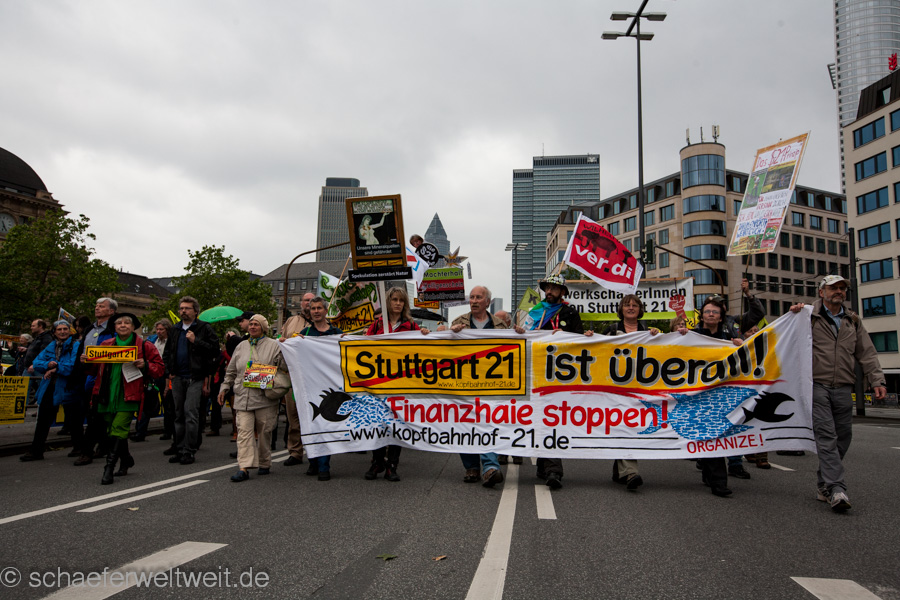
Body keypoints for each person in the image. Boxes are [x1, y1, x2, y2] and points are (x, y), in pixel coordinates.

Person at [789, 275, 886, 512]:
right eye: (833, 288)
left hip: (843, 387)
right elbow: (784, 339)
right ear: (822, 292)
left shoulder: (852, 320)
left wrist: (877, 380)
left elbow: (867, 353)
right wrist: (794, 315)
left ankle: (824, 483)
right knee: (826, 437)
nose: (839, 291)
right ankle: (836, 489)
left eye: (842, 288)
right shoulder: (807, 316)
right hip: (816, 386)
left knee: (844, 437)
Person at [517, 274, 592, 490]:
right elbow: (526, 336)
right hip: (536, 372)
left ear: (562, 292)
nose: (549, 291)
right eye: (547, 288)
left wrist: (567, 335)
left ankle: (552, 469)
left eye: (554, 288)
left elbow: (579, 342)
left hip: (561, 374)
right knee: (540, 418)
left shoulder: (570, 313)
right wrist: (521, 333)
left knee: (553, 419)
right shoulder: (535, 311)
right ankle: (547, 466)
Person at [676, 294, 745, 497]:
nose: (711, 314)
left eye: (715, 312)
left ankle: (715, 478)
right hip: (696, 393)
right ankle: (714, 477)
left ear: (721, 316)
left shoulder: (727, 339)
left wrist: (740, 345)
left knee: (715, 434)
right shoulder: (692, 335)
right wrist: (681, 336)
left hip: (720, 394)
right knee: (707, 434)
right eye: (707, 311)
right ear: (702, 316)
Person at [363, 287, 429, 482]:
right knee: (378, 422)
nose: (398, 303)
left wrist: (425, 334)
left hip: (401, 382)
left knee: (397, 423)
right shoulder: (377, 325)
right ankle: (377, 462)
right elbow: (361, 347)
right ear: (388, 302)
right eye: (394, 300)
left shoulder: (411, 325)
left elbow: (423, 349)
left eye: (401, 300)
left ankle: (392, 465)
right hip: (378, 382)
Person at [91, 313, 164, 484]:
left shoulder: (144, 346)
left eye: (127, 323)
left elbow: (160, 369)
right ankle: (126, 459)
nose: (122, 325)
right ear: (114, 327)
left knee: (118, 428)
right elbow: (93, 370)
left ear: (133, 327)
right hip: (107, 394)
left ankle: (108, 468)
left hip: (130, 395)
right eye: (119, 323)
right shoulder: (106, 345)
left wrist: (145, 365)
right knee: (113, 430)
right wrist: (87, 361)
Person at [448, 285, 509, 488]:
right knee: (464, 423)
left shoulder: (500, 326)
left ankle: (490, 467)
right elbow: (446, 351)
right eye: (472, 297)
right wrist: (450, 334)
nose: (474, 301)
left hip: (492, 384)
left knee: (488, 422)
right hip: (465, 382)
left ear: (487, 302)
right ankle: (471, 466)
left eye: (478, 297)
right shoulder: (458, 322)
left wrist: (520, 334)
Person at [218, 314, 287, 483]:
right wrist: (224, 388)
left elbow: (285, 367)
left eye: (256, 324)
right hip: (243, 397)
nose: (253, 327)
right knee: (243, 432)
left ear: (263, 327)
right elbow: (231, 371)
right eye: (251, 324)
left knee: (265, 432)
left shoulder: (274, 345)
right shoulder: (241, 346)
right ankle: (244, 467)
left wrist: (286, 348)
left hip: (265, 398)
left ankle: (264, 462)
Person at [603, 295, 660, 491]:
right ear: (621, 309)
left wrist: (657, 336)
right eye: (627, 305)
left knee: (631, 427)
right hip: (616, 388)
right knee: (624, 426)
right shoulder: (611, 331)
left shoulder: (648, 332)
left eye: (635, 305)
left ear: (640, 310)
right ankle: (630, 472)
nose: (631, 308)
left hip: (640, 389)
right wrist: (589, 337)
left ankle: (620, 471)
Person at [162, 296, 219, 465]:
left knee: (190, 413)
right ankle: (179, 448)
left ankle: (189, 450)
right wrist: (168, 371)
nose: (183, 311)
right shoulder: (175, 329)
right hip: (178, 377)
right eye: (181, 308)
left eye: (187, 308)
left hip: (195, 377)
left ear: (195, 311)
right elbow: (167, 353)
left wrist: (196, 341)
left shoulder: (204, 328)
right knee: (178, 414)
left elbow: (214, 351)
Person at [19, 321, 81, 461]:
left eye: (65, 329)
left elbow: (73, 366)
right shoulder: (51, 346)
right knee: (43, 419)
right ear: (54, 332)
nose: (62, 332)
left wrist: (55, 368)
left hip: (68, 386)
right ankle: (36, 451)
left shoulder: (75, 345)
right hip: (50, 386)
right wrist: (48, 364)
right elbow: (37, 362)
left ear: (69, 331)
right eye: (59, 329)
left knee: (73, 419)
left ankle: (79, 448)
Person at [298, 297, 343, 480]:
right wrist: (288, 342)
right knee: (311, 423)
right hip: (310, 385)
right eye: (313, 308)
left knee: (325, 423)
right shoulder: (305, 333)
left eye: (319, 308)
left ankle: (324, 465)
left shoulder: (336, 332)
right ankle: (313, 460)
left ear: (325, 311)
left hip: (329, 385)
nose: (316, 311)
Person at [74, 298, 118, 466]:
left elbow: (116, 352)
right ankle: (102, 445)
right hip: (87, 374)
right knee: (90, 412)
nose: (97, 308)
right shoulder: (90, 329)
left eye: (102, 306)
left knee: (96, 414)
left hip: (104, 376)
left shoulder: (114, 329)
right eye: (96, 306)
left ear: (111, 311)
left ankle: (87, 451)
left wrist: (96, 356)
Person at [278, 292, 315, 467]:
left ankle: (316, 451)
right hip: (293, 375)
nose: (308, 303)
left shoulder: (322, 323)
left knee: (314, 415)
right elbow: (282, 343)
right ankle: (295, 451)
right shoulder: (291, 321)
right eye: (306, 300)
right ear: (301, 303)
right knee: (293, 416)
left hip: (313, 377)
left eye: (312, 301)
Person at [23, 319, 54, 405]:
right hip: (29, 367)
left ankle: (41, 407)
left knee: (42, 388)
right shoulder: (37, 337)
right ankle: (22, 408)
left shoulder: (46, 338)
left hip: (38, 368)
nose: (31, 327)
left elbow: (43, 353)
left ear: (40, 326)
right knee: (23, 389)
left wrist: (34, 364)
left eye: (33, 326)